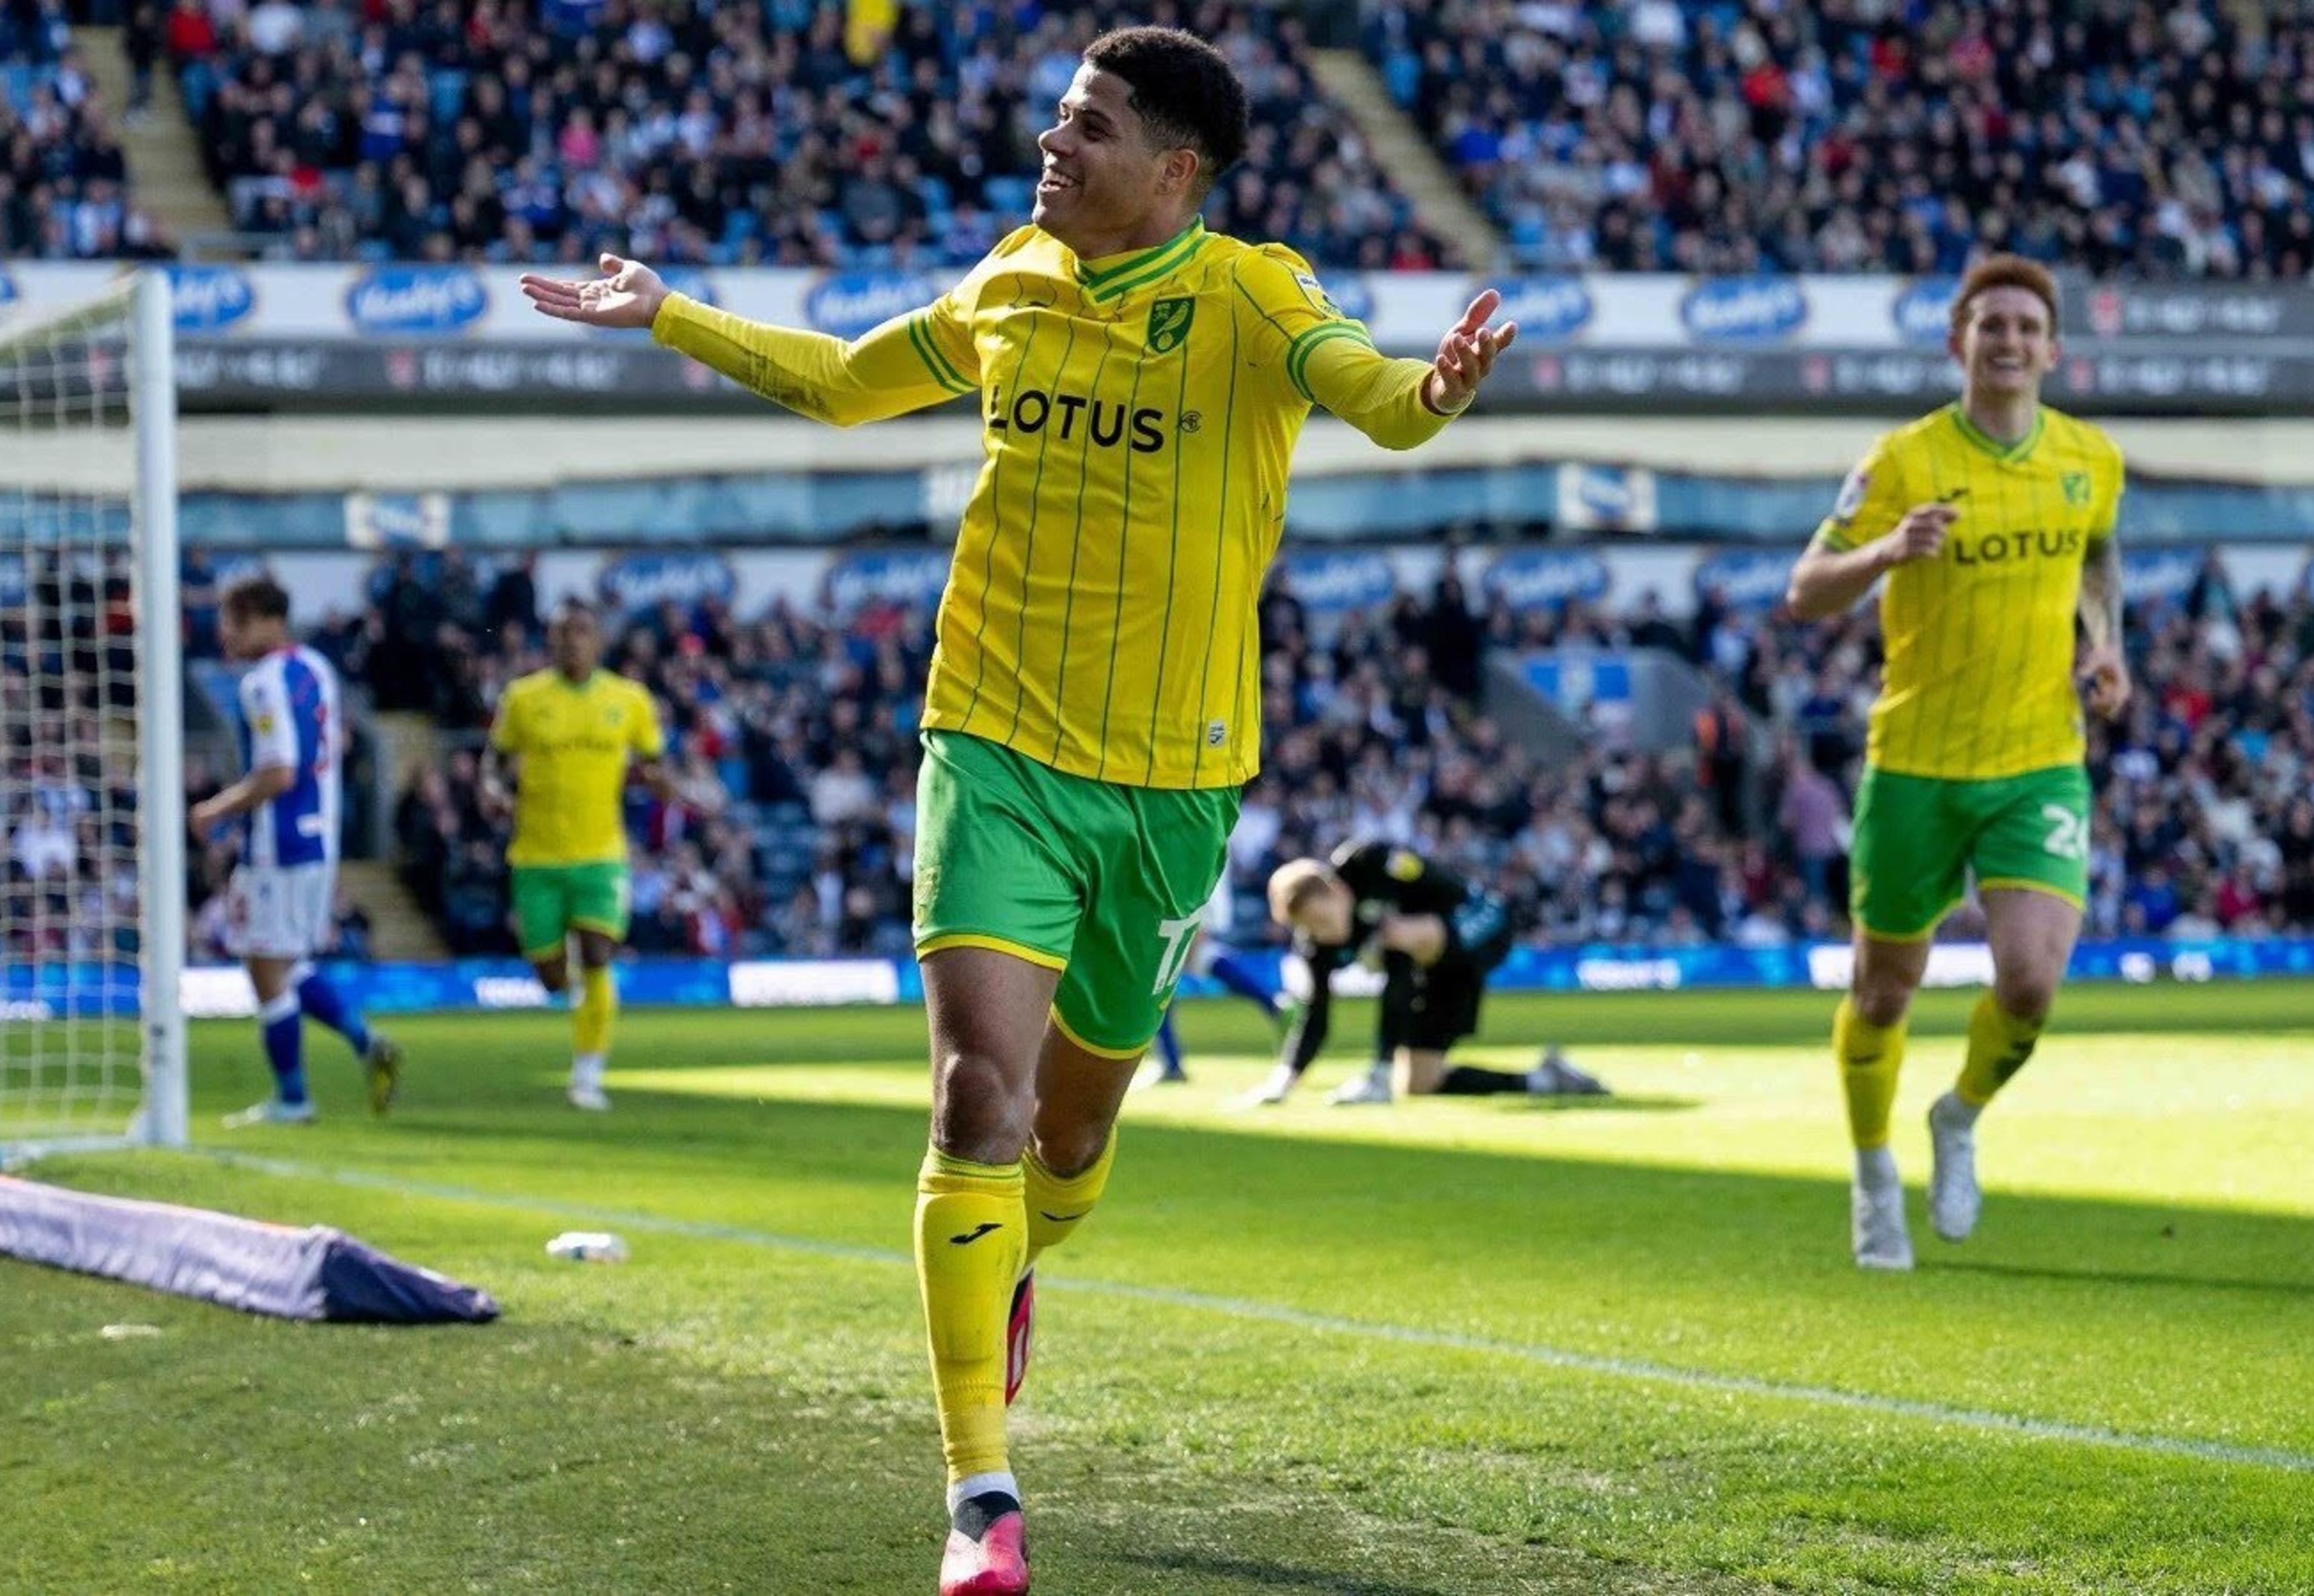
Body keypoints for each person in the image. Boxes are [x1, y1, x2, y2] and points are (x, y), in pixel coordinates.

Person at [523, 27, 1517, 1595]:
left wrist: (1434, 392)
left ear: (1175, 171)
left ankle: (1014, 1267)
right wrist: (669, 315)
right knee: (976, 1099)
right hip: (990, 744)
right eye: (1058, 119)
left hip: (1177, 789)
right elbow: (849, 385)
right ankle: (979, 1493)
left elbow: (1371, 395)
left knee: (1070, 1138)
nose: (1053, 147)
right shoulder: (1008, 281)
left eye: (1090, 128)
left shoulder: (1252, 296)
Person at [1783, 255, 2128, 1272]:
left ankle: (1960, 1118)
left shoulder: (2091, 459)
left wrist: (2105, 646)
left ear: (2052, 348)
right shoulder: (1901, 461)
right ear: (1958, 343)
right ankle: (1873, 1171)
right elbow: (1805, 588)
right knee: (1883, 990)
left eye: (2027, 325)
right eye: (1992, 325)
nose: (2010, 340)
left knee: (2030, 983)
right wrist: (1884, 553)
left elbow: (2098, 557)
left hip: (2039, 759)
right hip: (1916, 767)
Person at [190, 574, 401, 1125]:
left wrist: (217, 809)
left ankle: (292, 1097)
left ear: (265, 618)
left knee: (265, 968)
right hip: (318, 839)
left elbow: (279, 772)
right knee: (288, 961)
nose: (225, 633)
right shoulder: (316, 668)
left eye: (232, 621)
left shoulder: (263, 682)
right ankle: (365, 1041)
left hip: (279, 844)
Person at [1253, 840, 1605, 1107]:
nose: (1321, 933)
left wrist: (1381, 1065)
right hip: (1438, 967)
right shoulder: (1317, 940)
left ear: (1340, 892)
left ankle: (1379, 1075)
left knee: (1396, 935)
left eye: (1322, 920)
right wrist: (1285, 1080)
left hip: (1481, 924)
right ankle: (1545, 1079)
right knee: (1420, 1082)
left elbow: (1446, 888)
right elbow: (1317, 1012)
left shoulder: (1373, 862)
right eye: (1309, 928)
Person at [485, 601, 664, 1110]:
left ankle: (588, 1073)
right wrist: (493, 788)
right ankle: (565, 980)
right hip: (536, 858)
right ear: (550, 641)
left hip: (602, 855)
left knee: (597, 952)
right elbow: (493, 761)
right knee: (550, 977)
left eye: (581, 632)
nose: (571, 642)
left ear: (599, 641)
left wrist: (664, 783)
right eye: (562, 634)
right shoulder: (523, 698)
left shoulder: (628, 700)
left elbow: (654, 761)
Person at [1139, 881, 1288, 1086]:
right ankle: (1275, 1006)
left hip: (1186, 906)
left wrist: (1199, 927)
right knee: (1170, 982)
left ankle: (1170, 1064)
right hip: (1183, 908)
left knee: (1161, 985)